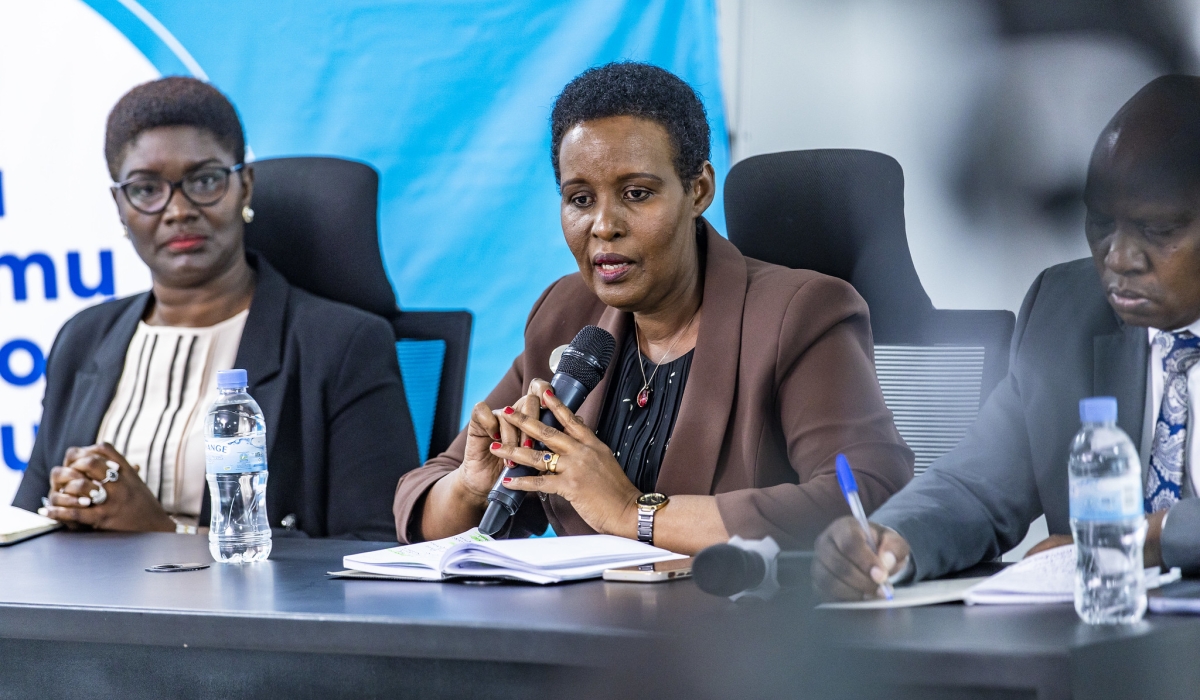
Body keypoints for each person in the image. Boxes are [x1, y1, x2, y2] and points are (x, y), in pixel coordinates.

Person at [392, 62, 913, 553]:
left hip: (741, 632)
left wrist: (630, 512)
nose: (603, 225)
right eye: (579, 199)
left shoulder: (800, 314)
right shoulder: (567, 313)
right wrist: (471, 485)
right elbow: (420, 499)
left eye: (637, 193)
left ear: (698, 190)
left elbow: (863, 496)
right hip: (582, 630)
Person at [814, 75, 1200, 600]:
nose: (1117, 258)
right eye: (1100, 222)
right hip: (1098, 648)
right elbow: (977, 485)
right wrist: (891, 538)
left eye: (1157, 231)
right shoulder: (1065, 310)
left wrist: (1137, 540)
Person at [12, 77, 419, 540]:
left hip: (250, 611)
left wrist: (161, 533)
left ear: (244, 186)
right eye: (146, 189)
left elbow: (373, 547)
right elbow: (27, 519)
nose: (178, 209)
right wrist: (64, 503)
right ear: (120, 205)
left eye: (204, 180)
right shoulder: (84, 337)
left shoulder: (342, 344)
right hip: (84, 605)